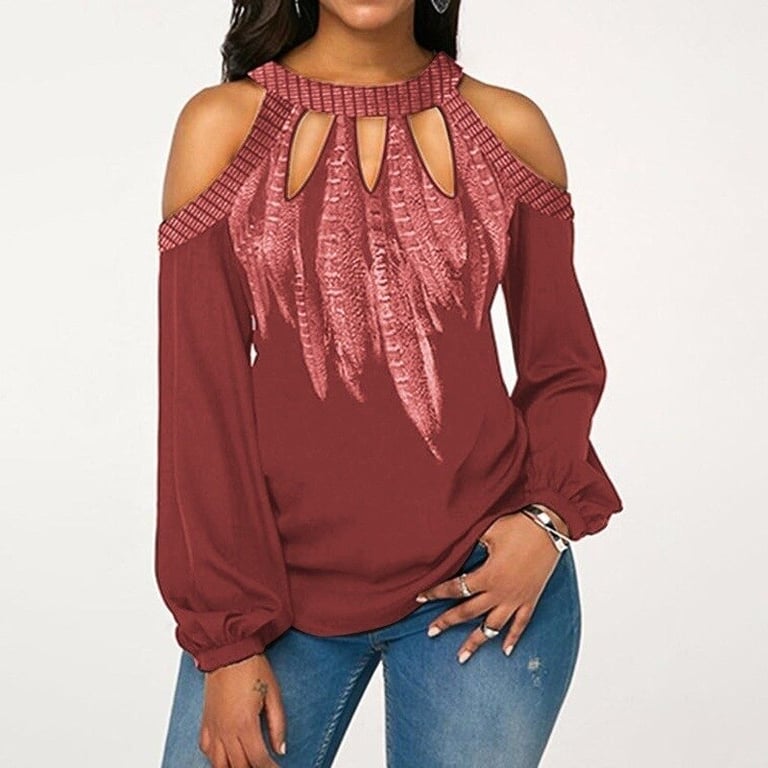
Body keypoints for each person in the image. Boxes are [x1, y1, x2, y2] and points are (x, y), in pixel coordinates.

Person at [155, 1, 623, 766]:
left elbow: (563, 364)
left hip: (483, 584)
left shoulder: (507, 129)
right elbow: (199, 405)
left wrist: (544, 523)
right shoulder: (223, 128)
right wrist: (227, 638)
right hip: (274, 599)